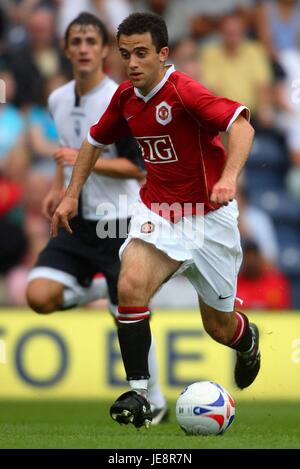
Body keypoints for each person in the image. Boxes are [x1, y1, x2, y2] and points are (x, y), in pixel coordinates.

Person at [51, 12, 260, 429]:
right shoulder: (126, 97)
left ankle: (246, 339)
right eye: (126, 54)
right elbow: (93, 141)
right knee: (130, 284)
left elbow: (241, 126)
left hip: (211, 222)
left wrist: (228, 178)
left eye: (142, 53)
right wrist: (71, 194)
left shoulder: (184, 92)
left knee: (218, 328)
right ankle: (140, 393)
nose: (132, 63)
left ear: (163, 54)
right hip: (159, 214)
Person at [26, 12, 168, 425]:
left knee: (129, 311)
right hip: (77, 221)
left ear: (106, 51)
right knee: (38, 297)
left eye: (92, 41)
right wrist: (59, 186)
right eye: (77, 41)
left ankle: (155, 402)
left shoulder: (121, 98)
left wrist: (82, 162)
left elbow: (137, 168)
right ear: (67, 49)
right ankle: (98, 291)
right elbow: (67, 152)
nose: (85, 48)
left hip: (118, 220)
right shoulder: (56, 99)